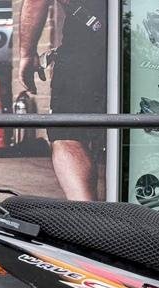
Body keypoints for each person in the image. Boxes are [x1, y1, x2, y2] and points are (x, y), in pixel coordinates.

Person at [19, 0, 107, 202]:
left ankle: (87, 215)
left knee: (68, 135)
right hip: (144, 38)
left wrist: (26, 54)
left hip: (88, 41)